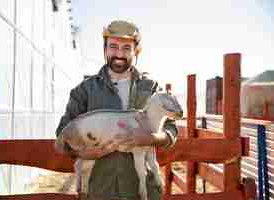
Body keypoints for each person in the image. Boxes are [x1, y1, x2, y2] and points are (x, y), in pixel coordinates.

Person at [55, 20, 182, 200]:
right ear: (105, 49)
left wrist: (152, 138)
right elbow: (62, 135)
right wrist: (83, 152)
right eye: (113, 46)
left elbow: (171, 130)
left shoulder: (151, 88)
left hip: (142, 192)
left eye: (126, 48)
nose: (119, 54)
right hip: (100, 191)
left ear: (135, 51)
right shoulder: (84, 90)